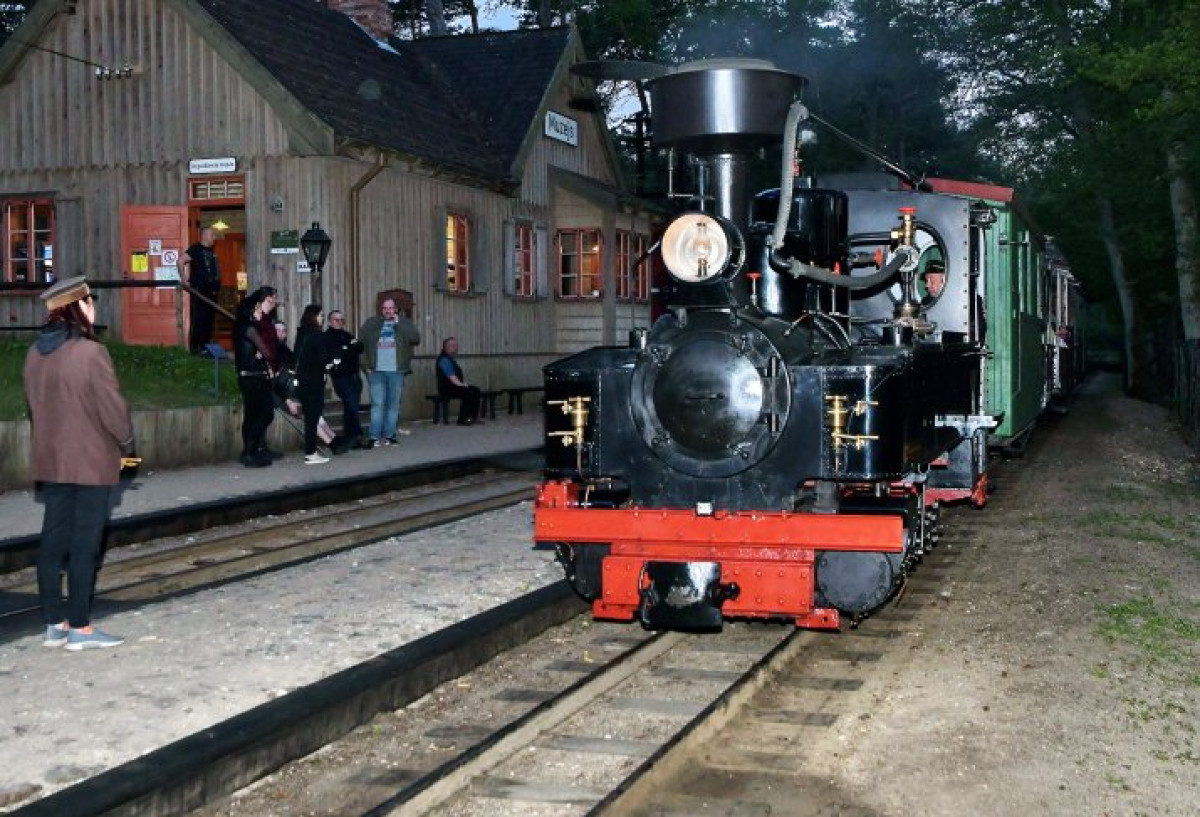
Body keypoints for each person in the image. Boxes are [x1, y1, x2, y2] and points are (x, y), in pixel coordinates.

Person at [23, 276, 134, 650]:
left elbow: (35, 408)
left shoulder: (35, 354)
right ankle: (81, 629)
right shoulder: (90, 353)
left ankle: (54, 622)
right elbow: (113, 410)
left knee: (53, 541)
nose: (94, 307)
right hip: (90, 462)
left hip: (52, 460)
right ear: (79, 307)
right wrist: (127, 445)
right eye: (90, 301)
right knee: (85, 545)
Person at [360, 298, 420, 447]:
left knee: (393, 405)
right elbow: (361, 346)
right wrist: (365, 366)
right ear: (381, 310)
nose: (388, 310)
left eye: (391, 308)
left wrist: (399, 324)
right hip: (376, 371)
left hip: (396, 371)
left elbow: (415, 339)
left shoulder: (405, 323)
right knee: (377, 404)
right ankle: (374, 437)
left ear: (396, 309)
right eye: (385, 308)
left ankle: (390, 436)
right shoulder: (371, 323)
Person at [233, 287, 279, 468]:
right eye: (258, 309)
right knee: (263, 414)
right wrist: (263, 355)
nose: (261, 312)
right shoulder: (250, 328)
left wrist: (261, 355)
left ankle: (251, 451)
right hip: (253, 377)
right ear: (252, 309)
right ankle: (249, 452)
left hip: (250, 376)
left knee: (253, 415)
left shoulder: (242, 326)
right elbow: (267, 352)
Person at [294, 304, 334, 465]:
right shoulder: (317, 335)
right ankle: (310, 453)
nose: (322, 318)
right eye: (321, 315)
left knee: (310, 418)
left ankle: (311, 451)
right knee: (313, 418)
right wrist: (332, 361)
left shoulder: (301, 334)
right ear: (314, 316)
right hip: (314, 381)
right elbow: (323, 358)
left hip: (302, 382)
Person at [325, 309, 366, 447]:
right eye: (336, 320)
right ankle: (357, 435)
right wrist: (348, 347)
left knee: (350, 407)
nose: (339, 322)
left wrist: (346, 348)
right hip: (341, 377)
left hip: (354, 376)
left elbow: (360, 347)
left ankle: (350, 438)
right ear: (329, 322)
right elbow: (335, 354)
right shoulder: (327, 337)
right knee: (352, 404)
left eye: (342, 320)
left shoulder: (346, 334)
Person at [185, 227, 221, 355]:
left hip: (212, 292)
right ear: (205, 235)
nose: (214, 238)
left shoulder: (211, 251)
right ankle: (195, 349)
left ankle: (205, 347)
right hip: (200, 291)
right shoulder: (195, 249)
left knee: (208, 321)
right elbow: (180, 261)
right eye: (212, 235)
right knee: (199, 319)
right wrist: (184, 280)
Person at [436, 336, 482, 425]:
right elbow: (452, 378)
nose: (455, 347)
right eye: (452, 345)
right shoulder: (444, 360)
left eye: (456, 345)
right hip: (446, 389)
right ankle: (462, 419)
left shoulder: (450, 359)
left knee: (476, 390)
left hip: (453, 387)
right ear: (445, 347)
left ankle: (472, 417)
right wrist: (463, 385)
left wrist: (463, 384)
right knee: (468, 392)